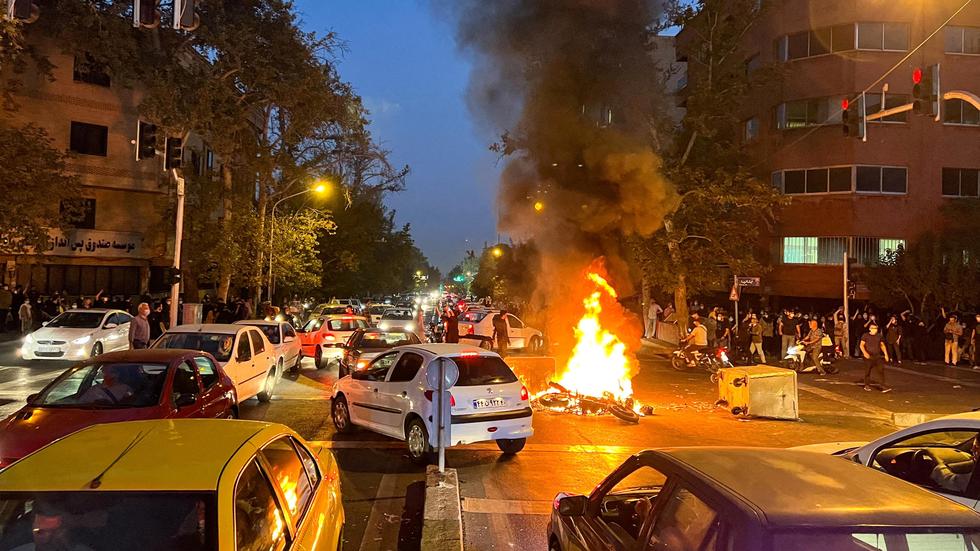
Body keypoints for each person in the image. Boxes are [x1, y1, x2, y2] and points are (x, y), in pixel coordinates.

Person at [860, 324, 891, 393]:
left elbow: (882, 345)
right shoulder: (865, 335)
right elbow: (861, 345)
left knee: (881, 370)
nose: (875, 330)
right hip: (868, 356)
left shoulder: (879, 336)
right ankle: (867, 385)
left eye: (876, 328)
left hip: (877, 356)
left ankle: (883, 386)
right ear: (870, 329)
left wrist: (886, 354)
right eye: (873, 328)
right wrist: (865, 353)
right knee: (867, 371)